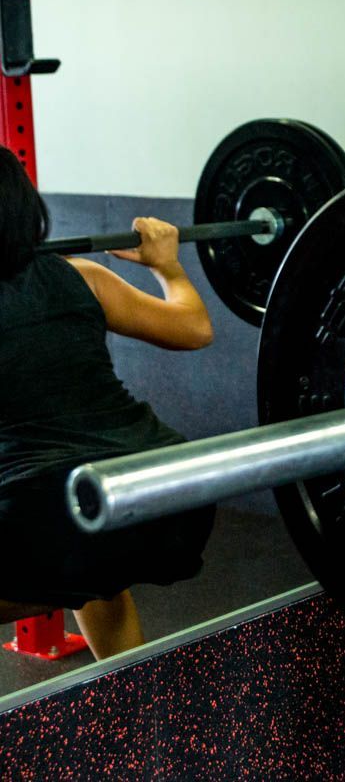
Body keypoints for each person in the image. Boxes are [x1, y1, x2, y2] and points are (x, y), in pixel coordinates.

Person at [0, 146, 216, 660]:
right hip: (163, 498)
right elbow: (194, 327)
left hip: (53, 522)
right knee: (92, 567)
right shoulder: (82, 276)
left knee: (65, 530)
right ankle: (132, 713)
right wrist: (168, 267)